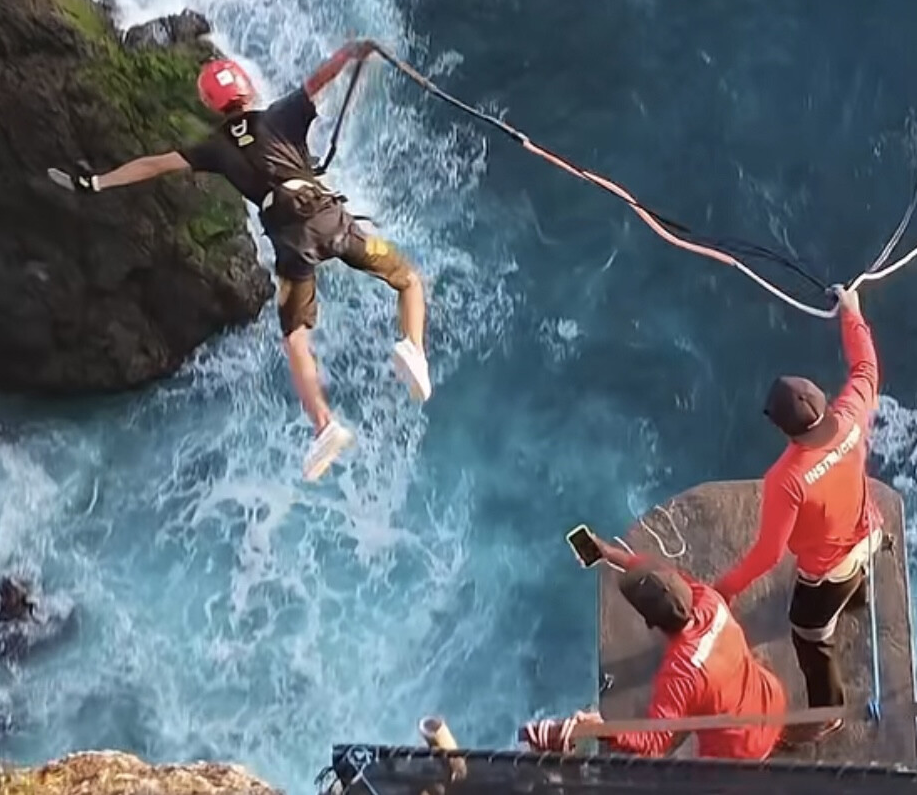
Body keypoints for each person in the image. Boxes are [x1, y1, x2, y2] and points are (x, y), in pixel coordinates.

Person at [48, 40, 431, 481]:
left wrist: (96, 182)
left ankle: (324, 425)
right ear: (247, 90)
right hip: (331, 221)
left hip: (293, 244)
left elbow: (153, 165)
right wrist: (353, 52)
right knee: (407, 280)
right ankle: (414, 351)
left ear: (211, 105)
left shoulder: (213, 148)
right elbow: (323, 77)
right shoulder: (281, 115)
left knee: (295, 337)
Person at [713, 283, 882, 744]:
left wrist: (723, 589)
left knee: (807, 634)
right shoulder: (850, 415)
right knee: (854, 578)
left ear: (782, 428)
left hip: (829, 571)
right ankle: (860, 600)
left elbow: (769, 556)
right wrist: (851, 310)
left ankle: (827, 712)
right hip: (869, 533)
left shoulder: (785, 479)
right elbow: (866, 365)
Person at [523, 529, 786, 760]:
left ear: (650, 623)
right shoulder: (709, 600)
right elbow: (659, 573)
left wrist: (601, 727)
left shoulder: (680, 674)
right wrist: (608, 553)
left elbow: (652, 744)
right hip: (772, 701)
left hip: (740, 750)